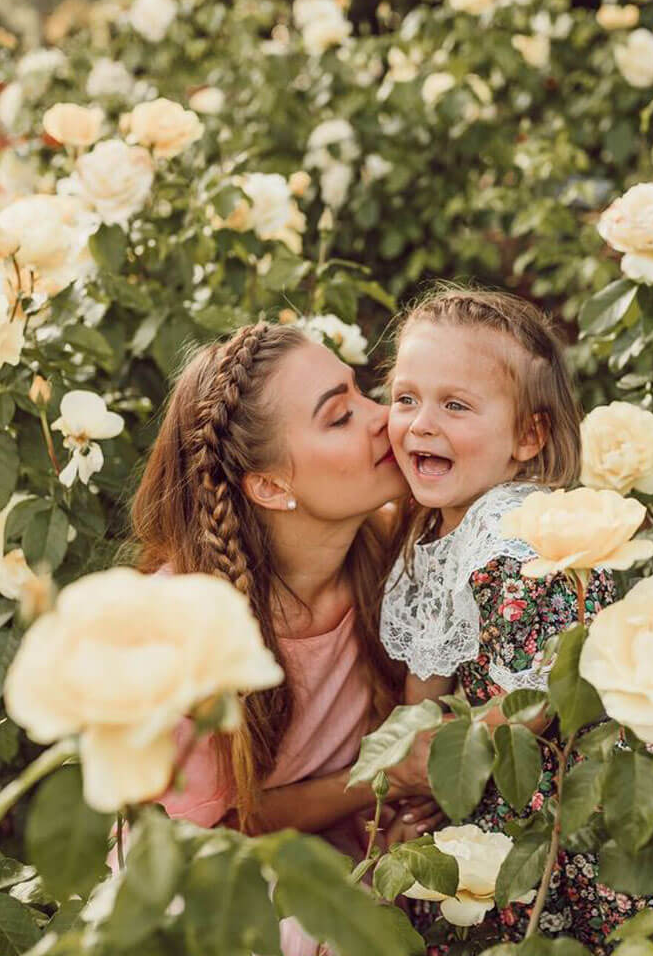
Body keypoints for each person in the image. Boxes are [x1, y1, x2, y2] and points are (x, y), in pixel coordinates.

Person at [380, 288, 653, 950]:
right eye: (406, 398)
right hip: (486, 767)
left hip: (556, 782)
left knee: (568, 917)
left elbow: (536, 702)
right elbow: (424, 683)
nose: (422, 423)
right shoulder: (432, 536)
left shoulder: (521, 536)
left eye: (455, 405)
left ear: (527, 436)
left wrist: (434, 768)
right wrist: (416, 773)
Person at [130, 321, 439, 955]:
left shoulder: (398, 547)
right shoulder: (187, 627)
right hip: (210, 869)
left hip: (339, 836)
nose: (383, 418)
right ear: (271, 487)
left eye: (360, 393)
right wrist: (386, 779)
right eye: (338, 417)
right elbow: (222, 825)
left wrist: (397, 819)